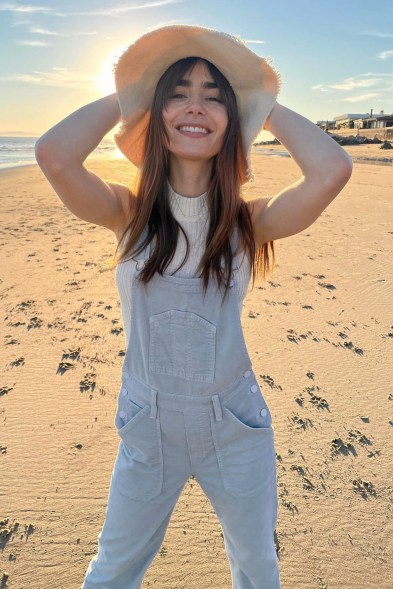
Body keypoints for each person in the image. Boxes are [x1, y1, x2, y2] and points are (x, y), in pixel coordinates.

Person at [35, 24, 352, 589]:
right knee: (112, 570)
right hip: (147, 424)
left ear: (232, 121)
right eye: (178, 92)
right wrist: (138, 89)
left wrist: (260, 100)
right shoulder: (126, 214)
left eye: (214, 96)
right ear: (155, 114)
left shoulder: (248, 224)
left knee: (257, 567)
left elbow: (332, 171)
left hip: (234, 425)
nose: (195, 106)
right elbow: (54, 155)